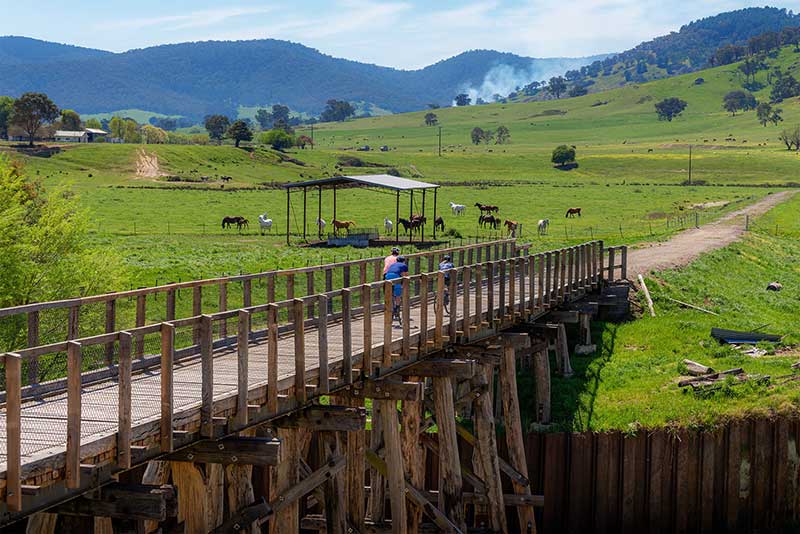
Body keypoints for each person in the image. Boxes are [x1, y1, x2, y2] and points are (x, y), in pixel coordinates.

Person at [384, 255, 408, 323]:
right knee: (398, 294)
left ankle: (390, 305)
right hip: (396, 276)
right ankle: (396, 307)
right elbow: (405, 275)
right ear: (403, 261)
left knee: (390, 293)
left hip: (387, 276)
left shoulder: (393, 264)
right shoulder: (404, 265)